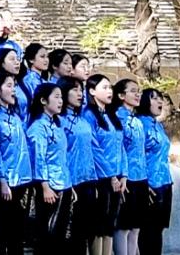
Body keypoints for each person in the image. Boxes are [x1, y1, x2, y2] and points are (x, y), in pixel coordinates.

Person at [26, 83, 75, 255]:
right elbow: (38, 158)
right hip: (50, 187)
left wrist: (69, 184)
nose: (60, 101)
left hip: (64, 183)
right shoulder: (38, 127)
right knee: (48, 233)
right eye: (56, 97)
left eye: (61, 97)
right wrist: (45, 186)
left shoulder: (57, 125)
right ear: (43, 100)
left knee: (61, 233)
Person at [0, 71, 32, 255]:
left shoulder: (15, 117)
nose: (13, 90)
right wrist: (3, 180)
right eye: (8, 85)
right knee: (3, 233)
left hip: (23, 179)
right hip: (5, 181)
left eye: (14, 86)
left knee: (18, 233)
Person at [84, 74, 127, 255]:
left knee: (110, 225)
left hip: (117, 177)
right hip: (101, 178)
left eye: (110, 87)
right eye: (104, 87)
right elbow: (95, 148)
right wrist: (111, 176)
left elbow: (121, 146)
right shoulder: (88, 115)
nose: (109, 91)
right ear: (92, 91)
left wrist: (124, 174)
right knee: (99, 225)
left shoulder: (111, 115)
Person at [60, 75, 97, 253]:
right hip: (71, 182)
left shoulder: (83, 119)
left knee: (85, 232)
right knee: (71, 233)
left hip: (88, 179)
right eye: (74, 89)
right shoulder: (60, 121)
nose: (80, 93)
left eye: (81, 89)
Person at [112, 78, 146, 255]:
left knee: (136, 228)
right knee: (123, 227)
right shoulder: (117, 118)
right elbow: (117, 149)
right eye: (133, 91)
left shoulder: (137, 120)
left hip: (141, 177)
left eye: (138, 91)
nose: (137, 94)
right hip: (125, 178)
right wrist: (119, 175)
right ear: (121, 95)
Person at [137, 89, 172, 255]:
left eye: (160, 98)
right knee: (148, 230)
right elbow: (137, 154)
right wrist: (144, 182)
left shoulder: (158, 125)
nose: (160, 102)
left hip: (165, 181)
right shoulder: (140, 124)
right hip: (150, 183)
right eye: (154, 98)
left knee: (158, 229)